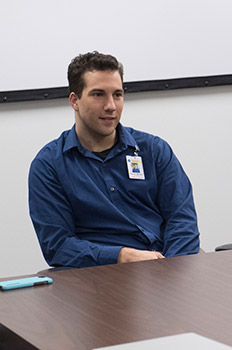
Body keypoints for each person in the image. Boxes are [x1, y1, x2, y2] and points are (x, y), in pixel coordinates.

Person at [28, 51, 200, 268]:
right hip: (96, 277)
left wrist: (168, 270)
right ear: (75, 101)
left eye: (117, 95)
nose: (110, 106)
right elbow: (58, 246)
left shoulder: (154, 150)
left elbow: (182, 220)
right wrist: (120, 256)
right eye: (98, 94)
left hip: (162, 266)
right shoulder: (49, 165)